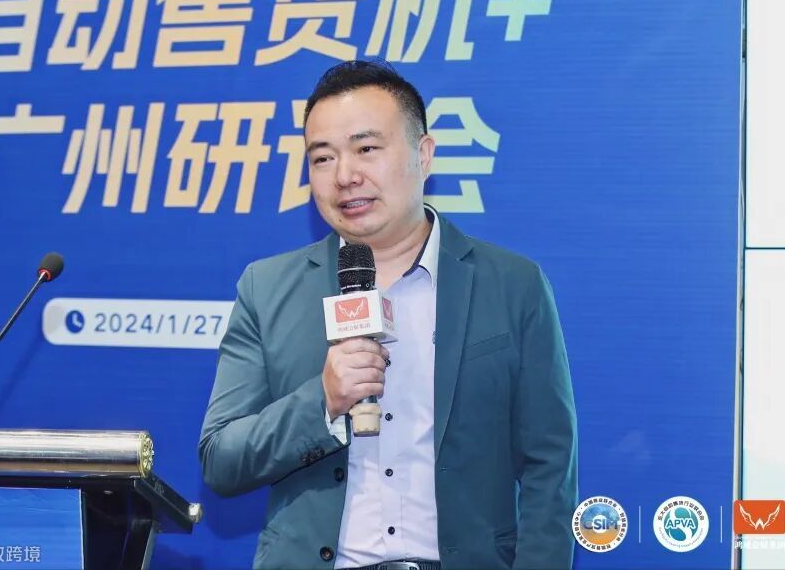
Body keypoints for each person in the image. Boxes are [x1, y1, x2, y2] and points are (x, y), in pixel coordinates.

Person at [200, 60, 577, 570]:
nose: (345, 176)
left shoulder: (513, 284)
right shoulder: (266, 289)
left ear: (424, 154)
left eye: (367, 149)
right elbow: (222, 459)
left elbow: (549, 464)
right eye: (323, 158)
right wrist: (322, 402)